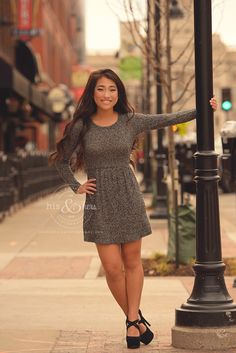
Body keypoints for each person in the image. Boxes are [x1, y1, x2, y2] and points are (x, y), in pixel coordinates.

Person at [49, 68, 217, 349]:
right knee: (113, 269)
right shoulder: (82, 125)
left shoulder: (131, 121)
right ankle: (138, 319)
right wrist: (75, 186)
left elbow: (167, 119)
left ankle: (130, 321)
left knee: (132, 262)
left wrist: (202, 109)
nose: (106, 95)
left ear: (119, 93)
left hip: (128, 195)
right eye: (101, 89)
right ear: (92, 93)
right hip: (99, 200)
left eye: (112, 89)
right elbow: (61, 160)